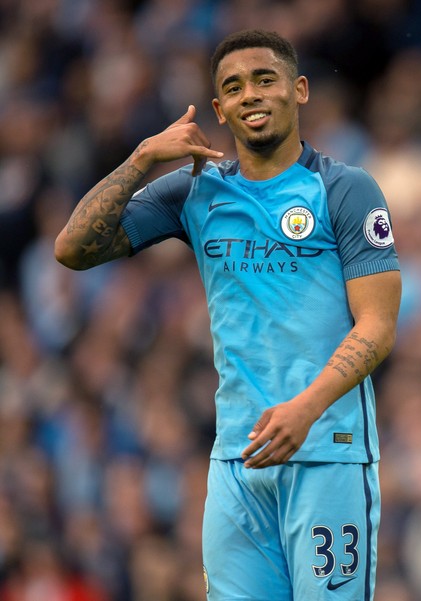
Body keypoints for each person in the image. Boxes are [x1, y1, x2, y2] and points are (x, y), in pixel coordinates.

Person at [54, 29, 401, 600]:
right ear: (218, 109)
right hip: (237, 461)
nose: (251, 95)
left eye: (265, 79)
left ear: (300, 90)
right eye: (234, 87)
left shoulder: (346, 189)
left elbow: (378, 326)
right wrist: (142, 157)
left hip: (326, 452)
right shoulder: (196, 193)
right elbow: (72, 249)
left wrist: (304, 410)